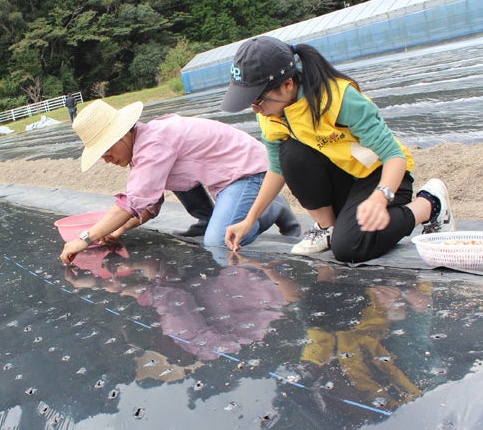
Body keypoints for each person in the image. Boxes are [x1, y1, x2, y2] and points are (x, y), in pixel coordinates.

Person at [221, 36, 454, 263]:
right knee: (291, 153)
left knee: (350, 247)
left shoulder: (338, 98)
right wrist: (249, 220)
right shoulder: (271, 114)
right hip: (344, 176)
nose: (256, 110)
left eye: (258, 101)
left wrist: (380, 197)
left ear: (287, 84)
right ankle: (327, 228)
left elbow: (395, 156)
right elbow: (277, 169)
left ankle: (430, 204)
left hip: (382, 175)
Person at [59, 99, 300, 265]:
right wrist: (119, 229)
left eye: (106, 151)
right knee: (174, 182)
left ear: (121, 135)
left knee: (218, 242)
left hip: (248, 172)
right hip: (222, 177)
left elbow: (132, 202)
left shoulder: (154, 144)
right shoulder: (144, 144)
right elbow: (149, 203)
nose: (107, 160)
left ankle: (270, 208)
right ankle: (211, 219)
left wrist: (85, 238)